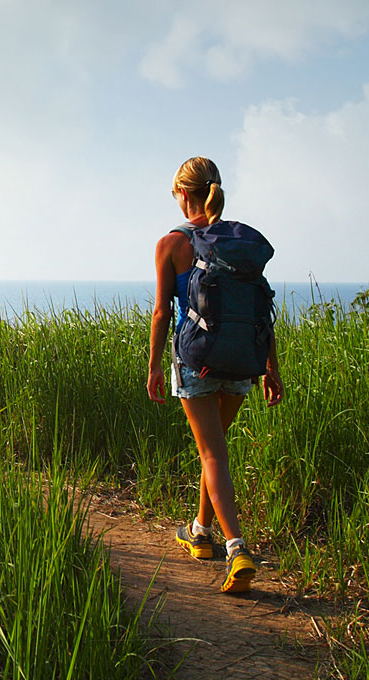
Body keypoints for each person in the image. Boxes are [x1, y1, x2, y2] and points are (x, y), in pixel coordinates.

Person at [146, 157, 286, 593]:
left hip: (196, 363)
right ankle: (199, 532)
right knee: (217, 450)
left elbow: (161, 312)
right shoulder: (239, 242)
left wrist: (153, 366)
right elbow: (261, 309)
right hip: (243, 361)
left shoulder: (172, 243)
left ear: (183, 195)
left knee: (213, 456)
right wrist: (271, 367)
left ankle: (237, 547)